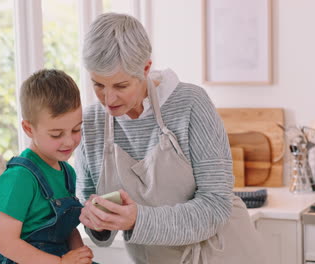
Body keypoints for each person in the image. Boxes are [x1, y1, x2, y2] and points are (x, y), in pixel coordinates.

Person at [74, 13, 266, 263]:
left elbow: (216, 205)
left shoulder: (191, 104)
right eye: (98, 84)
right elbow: (93, 214)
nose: (108, 99)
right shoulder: (91, 124)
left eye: (121, 86)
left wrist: (138, 219)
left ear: (145, 69)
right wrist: (97, 220)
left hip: (224, 254)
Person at [0, 69, 94, 264]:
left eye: (76, 129)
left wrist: (79, 253)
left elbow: (66, 229)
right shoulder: (19, 178)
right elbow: (6, 243)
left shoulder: (67, 172)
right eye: (56, 134)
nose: (69, 141)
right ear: (29, 129)